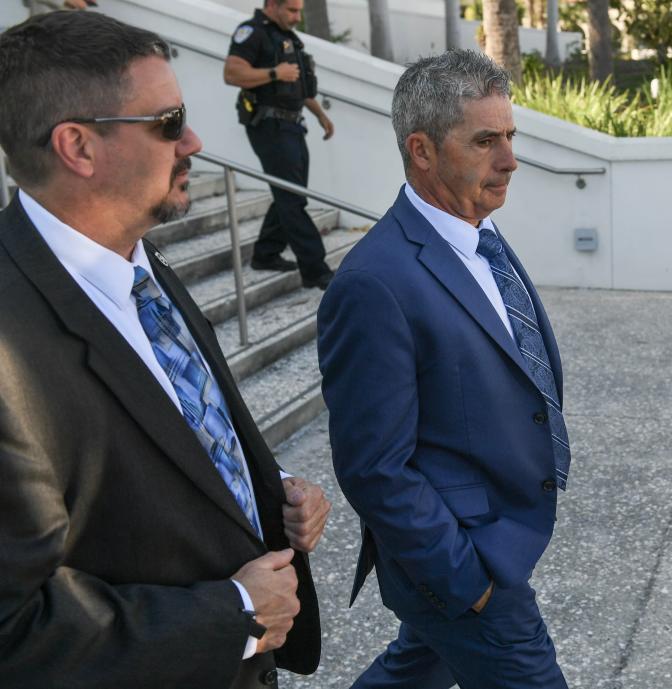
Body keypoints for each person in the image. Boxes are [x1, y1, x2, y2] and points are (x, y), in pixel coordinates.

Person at [0, 11, 331, 689]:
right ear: (78, 148)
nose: (196, 140)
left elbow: (170, 450)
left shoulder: (142, 264)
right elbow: (15, 632)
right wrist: (232, 612)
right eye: (168, 121)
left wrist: (269, 497)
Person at [316, 49, 572, 689]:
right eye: (486, 141)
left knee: (414, 670)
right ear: (422, 151)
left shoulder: (476, 229)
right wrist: (471, 581)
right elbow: (374, 467)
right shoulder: (374, 284)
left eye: (510, 137)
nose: (510, 160)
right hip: (466, 563)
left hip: (491, 539)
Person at [224, 0, 336, 290]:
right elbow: (232, 73)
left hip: (292, 125)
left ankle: (266, 253)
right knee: (292, 197)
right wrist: (274, 73)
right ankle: (315, 270)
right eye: (292, 10)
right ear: (272, 5)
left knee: (289, 193)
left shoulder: (287, 37)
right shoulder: (252, 32)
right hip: (269, 125)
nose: (297, 17)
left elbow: (297, 85)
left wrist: (320, 114)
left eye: (299, 10)